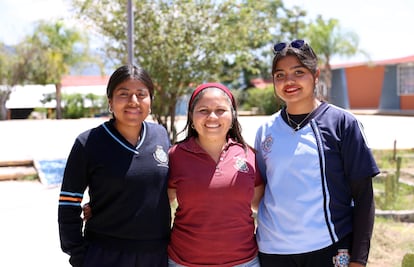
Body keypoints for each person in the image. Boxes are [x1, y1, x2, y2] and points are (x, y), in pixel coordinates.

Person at [254, 40, 379, 267]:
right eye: (280, 75)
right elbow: (261, 192)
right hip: (272, 251)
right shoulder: (265, 131)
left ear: (316, 75)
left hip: (328, 249)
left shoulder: (342, 123)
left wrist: (359, 259)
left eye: (298, 72)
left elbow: (364, 197)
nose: (288, 81)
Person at [58, 65, 171, 267]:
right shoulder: (88, 143)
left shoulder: (160, 135)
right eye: (123, 94)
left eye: (141, 94)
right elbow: (68, 204)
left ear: (151, 101)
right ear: (110, 101)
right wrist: (78, 255)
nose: (133, 101)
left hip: (157, 255)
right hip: (106, 254)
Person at [167, 82, 264, 267]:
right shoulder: (175, 156)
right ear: (191, 116)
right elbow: (158, 206)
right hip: (184, 262)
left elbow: (264, 206)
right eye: (203, 110)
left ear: (233, 115)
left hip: (244, 261)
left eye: (220, 110)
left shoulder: (248, 155)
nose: (212, 117)